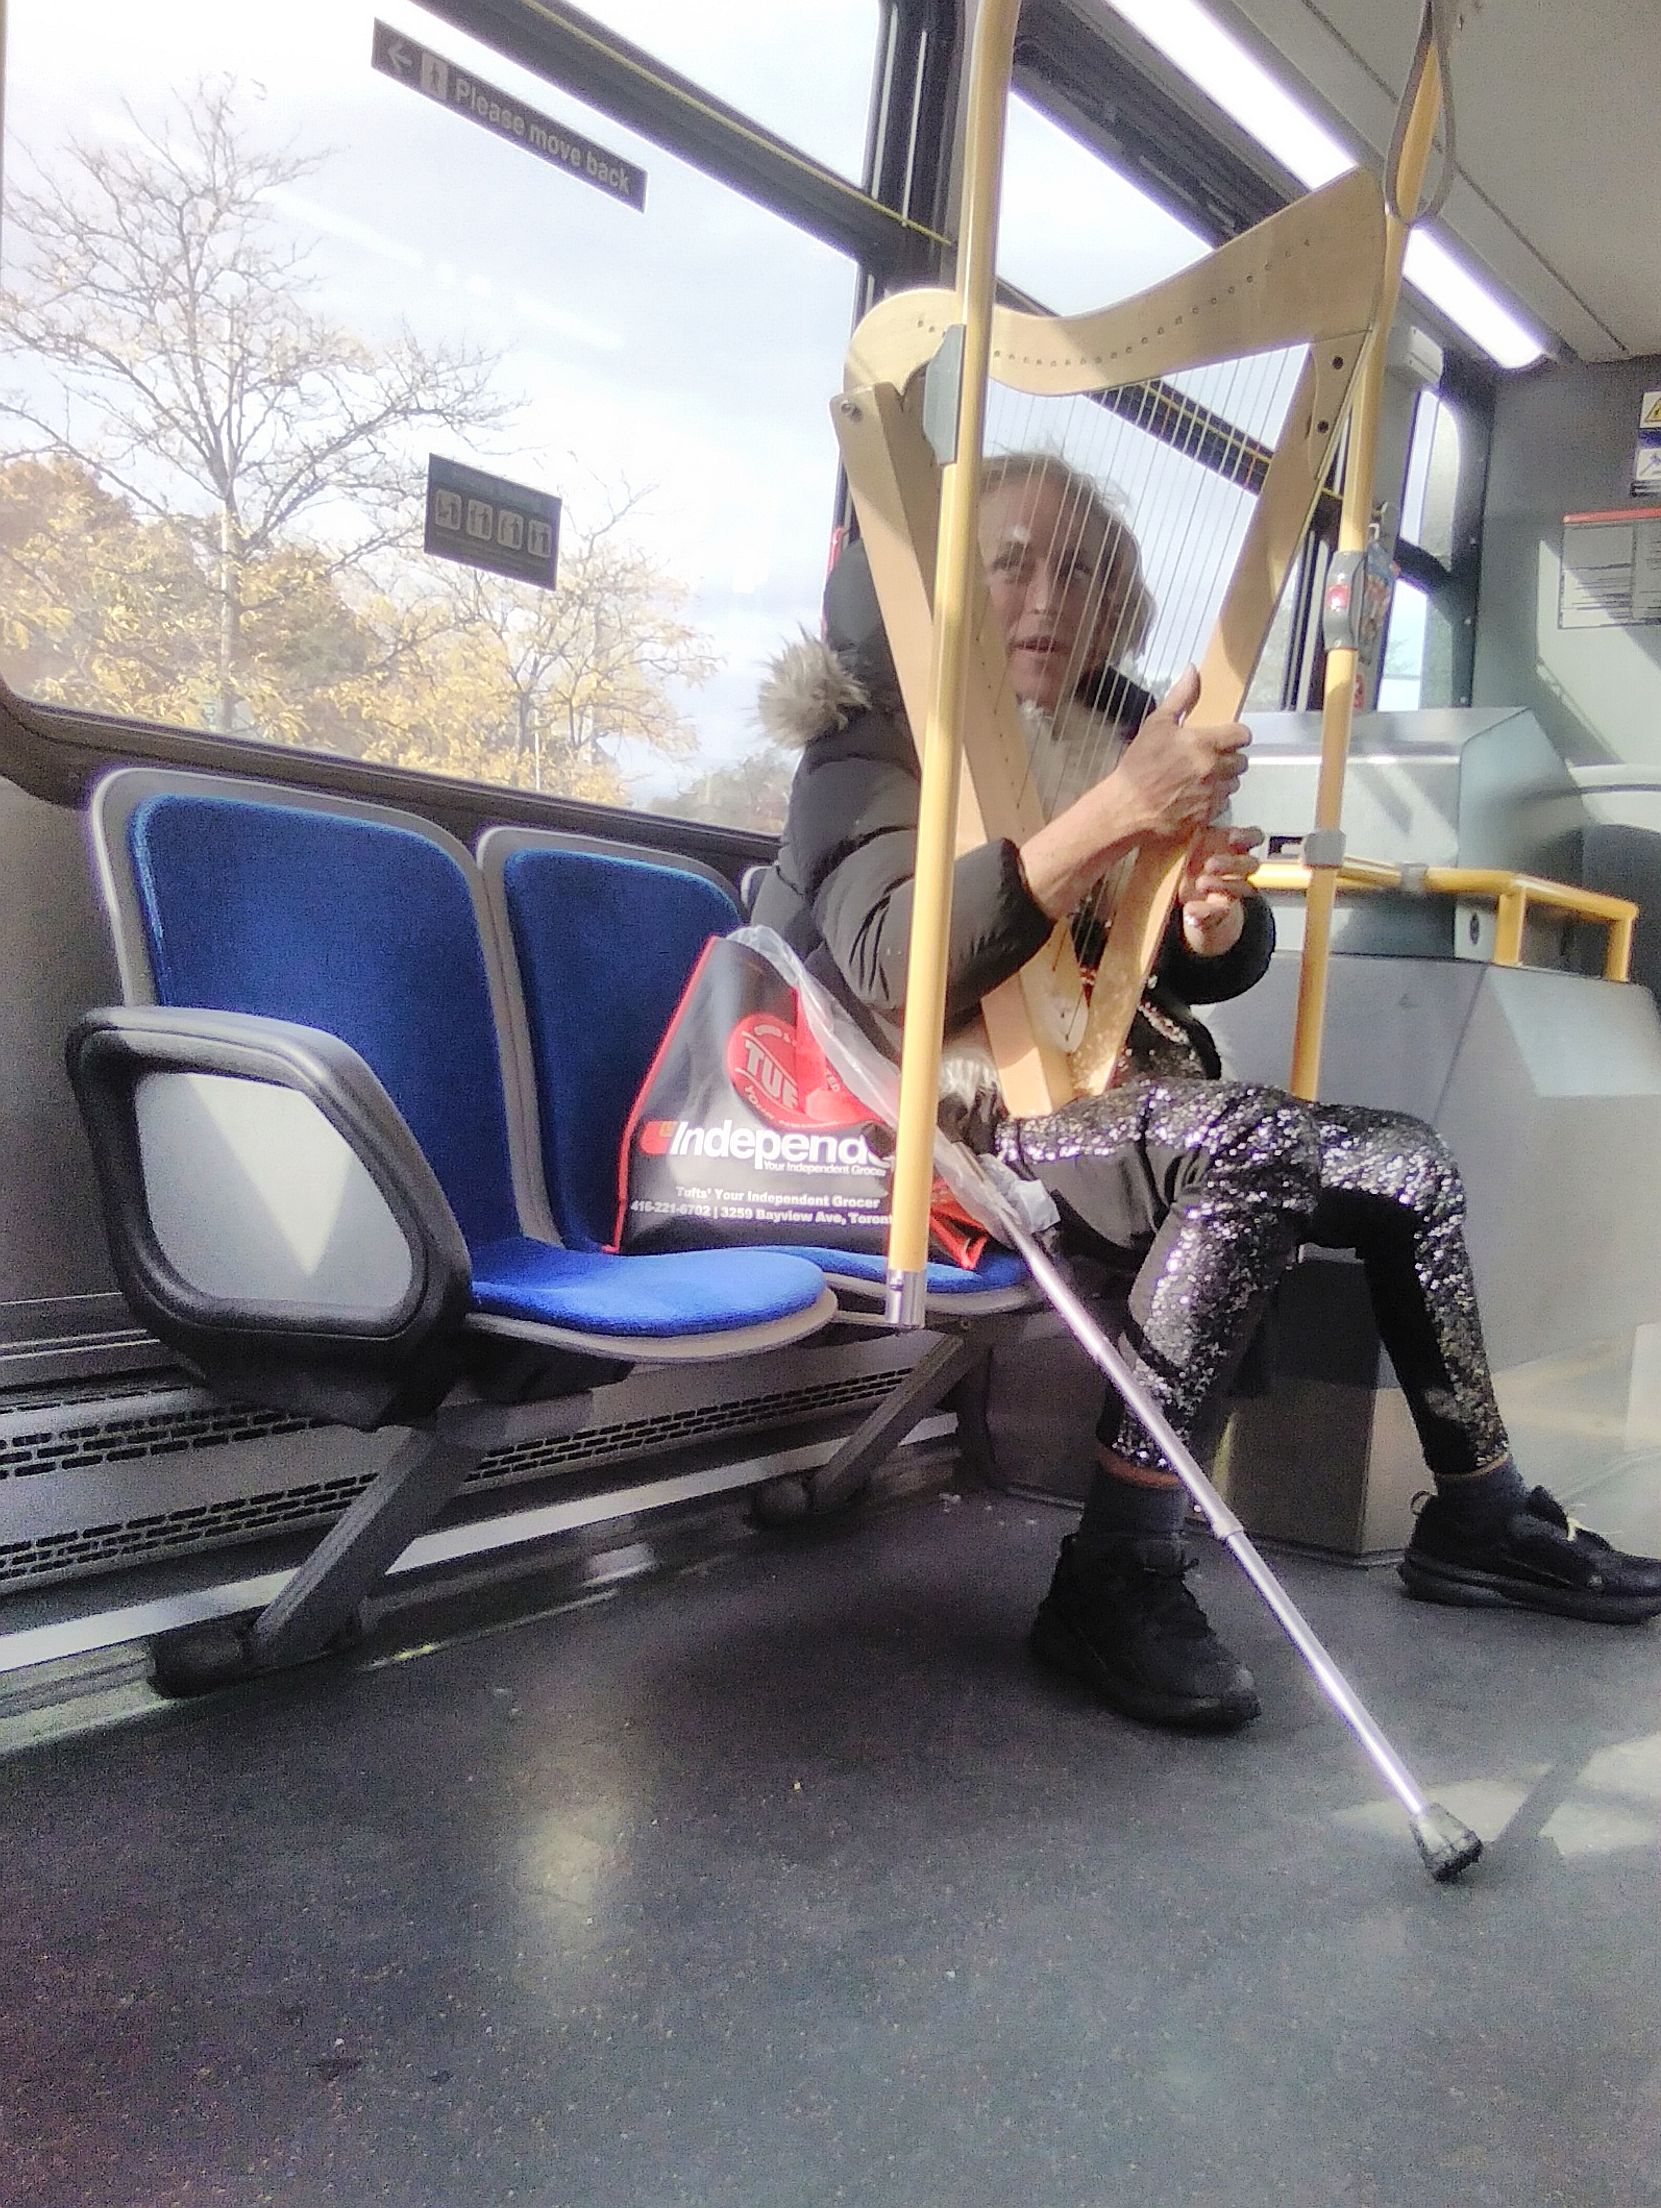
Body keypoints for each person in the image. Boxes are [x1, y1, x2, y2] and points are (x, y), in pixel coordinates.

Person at [751, 450, 1661, 1734]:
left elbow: (1154, 968)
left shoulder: (1109, 730)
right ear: (945, 588)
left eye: (1079, 572)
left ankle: (1476, 1510)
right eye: (1010, 564)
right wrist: (1115, 814)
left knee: (1404, 1163)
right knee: (1248, 1147)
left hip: (1089, 1091)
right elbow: (898, 965)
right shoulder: (870, 735)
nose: (1047, 599)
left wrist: (1206, 922)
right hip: (925, 1122)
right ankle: (1115, 1565)